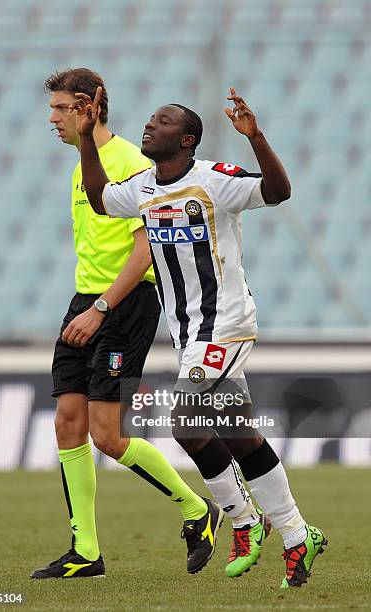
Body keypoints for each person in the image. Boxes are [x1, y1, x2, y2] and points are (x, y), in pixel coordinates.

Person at [69, 84, 328, 589]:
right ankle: (299, 536)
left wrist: (257, 139)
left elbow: (278, 193)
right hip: (188, 332)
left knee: (185, 421)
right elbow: (101, 201)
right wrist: (86, 141)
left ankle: (245, 520)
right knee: (240, 436)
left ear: (187, 140)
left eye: (163, 122)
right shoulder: (144, 187)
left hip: (227, 323)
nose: (150, 125)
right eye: (150, 119)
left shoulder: (216, 180)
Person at [30, 68, 225, 580]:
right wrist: (87, 305)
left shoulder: (131, 163)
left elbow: (146, 246)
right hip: (85, 300)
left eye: (60, 108)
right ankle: (86, 552)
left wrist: (102, 309)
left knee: (107, 436)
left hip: (124, 305)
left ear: (90, 106)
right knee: (67, 423)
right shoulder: (85, 163)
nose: (52, 118)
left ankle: (197, 509)